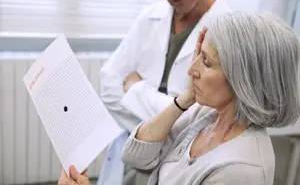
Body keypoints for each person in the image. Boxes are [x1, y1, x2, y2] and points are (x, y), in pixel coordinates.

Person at [58, 11, 300, 185]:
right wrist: (185, 98)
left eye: (205, 61)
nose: (191, 69)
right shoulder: (205, 114)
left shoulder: (240, 172)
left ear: (243, 80)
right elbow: (135, 155)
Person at [97, 0, 230, 184]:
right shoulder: (149, 17)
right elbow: (108, 87)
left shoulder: (231, 32)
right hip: (129, 162)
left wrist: (135, 88)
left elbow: (205, 121)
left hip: (180, 170)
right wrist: (174, 114)